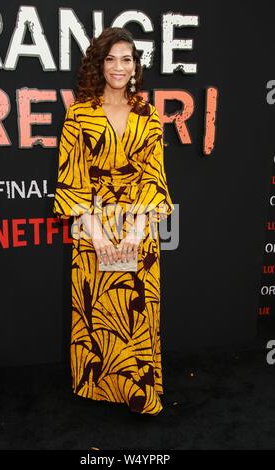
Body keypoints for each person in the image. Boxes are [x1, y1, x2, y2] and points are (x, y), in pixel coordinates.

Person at [53, 27, 175, 416]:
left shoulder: (148, 114)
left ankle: (138, 391)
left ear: (135, 65)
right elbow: (72, 179)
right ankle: (99, 386)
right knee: (99, 312)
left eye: (126, 59)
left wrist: (136, 232)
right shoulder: (78, 114)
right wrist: (96, 232)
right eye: (110, 59)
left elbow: (155, 177)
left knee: (134, 311)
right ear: (98, 64)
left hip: (139, 226)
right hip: (93, 224)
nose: (118, 67)